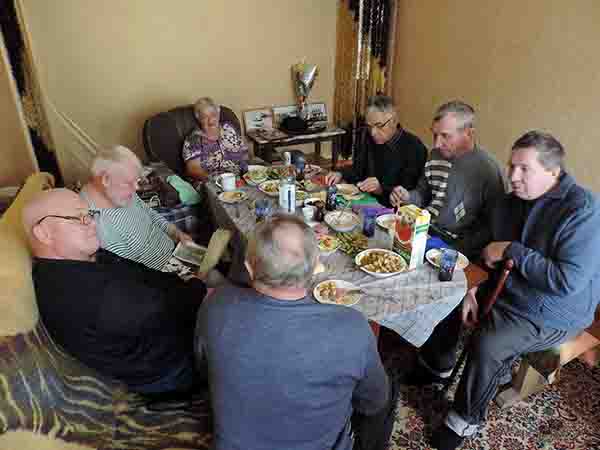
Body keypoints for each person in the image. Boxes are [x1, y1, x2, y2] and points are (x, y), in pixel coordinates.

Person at [411, 131, 600, 450]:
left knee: (490, 343)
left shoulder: (583, 210)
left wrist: (512, 250)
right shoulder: (510, 203)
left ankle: (464, 420)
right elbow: (485, 249)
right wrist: (473, 286)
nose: (512, 176)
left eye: (524, 169)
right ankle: (437, 366)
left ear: (553, 172)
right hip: (509, 288)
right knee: (449, 291)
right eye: (512, 166)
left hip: (554, 310)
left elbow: (566, 282)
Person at [195, 214, 397, 450]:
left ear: (249, 268)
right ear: (315, 267)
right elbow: (372, 403)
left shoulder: (214, 303)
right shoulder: (353, 327)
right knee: (387, 387)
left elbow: (203, 368)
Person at [23, 188, 211, 394]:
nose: (92, 223)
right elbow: (168, 309)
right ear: (44, 233)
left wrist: (187, 284)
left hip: (169, 322)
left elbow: (143, 275)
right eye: (78, 218)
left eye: (89, 215)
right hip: (169, 369)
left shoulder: (82, 258)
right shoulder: (88, 294)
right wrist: (199, 287)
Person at [390, 101, 505, 258]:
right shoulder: (435, 155)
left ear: (469, 134)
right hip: (425, 230)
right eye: (435, 135)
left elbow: (491, 227)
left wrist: (455, 250)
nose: (437, 143)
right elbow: (423, 193)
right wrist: (407, 197)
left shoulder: (488, 169)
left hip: (457, 247)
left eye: (445, 136)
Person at [80, 145, 196, 273]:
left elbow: (149, 214)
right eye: (129, 183)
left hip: (174, 253)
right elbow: (133, 277)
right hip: (164, 276)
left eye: (136, 181)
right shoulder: (95, 225)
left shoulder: (119, 192)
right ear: (106, 179)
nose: (136, 188)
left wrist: (175, 233)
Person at [325, 95, 427, 206]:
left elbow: (408, 194)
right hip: (364, 201)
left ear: (394, 121)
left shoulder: (414, 147)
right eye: (369, 126)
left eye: (379, 126)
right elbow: (358, 170)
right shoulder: (367, 136)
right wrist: (341, 173)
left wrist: (381, 189)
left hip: (392, 210)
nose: (373, 132)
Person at [182, 97, 249, 182]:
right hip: (212, 182)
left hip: (240, 178)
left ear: (218, 114)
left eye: (213, 115)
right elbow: (193, 169)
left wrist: (248, 172)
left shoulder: (229, 128)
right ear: (199, 119)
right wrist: (216, 180)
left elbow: (243, 151)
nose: (211, 121)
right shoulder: (194, 139)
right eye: (204, 117)